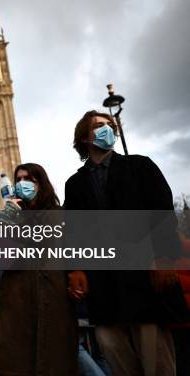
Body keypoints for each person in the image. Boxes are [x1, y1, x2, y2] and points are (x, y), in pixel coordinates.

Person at [65, 110, 181, 376]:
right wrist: (76, 269)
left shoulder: (140, 166)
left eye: (109, 125)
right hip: (104, 284)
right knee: (112, 350)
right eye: (98, 126)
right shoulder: (75, 184)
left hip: (143, 276)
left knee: (155, 359)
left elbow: (162, 213)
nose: (107, 129)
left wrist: (164, 258)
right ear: (84, 138)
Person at [0, 163, 78, 375]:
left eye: (28, 179)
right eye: (18, 179)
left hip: (55, 301)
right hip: (17, 305)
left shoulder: (61, 215)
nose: (22, 183)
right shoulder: (8, 217)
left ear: (41, 183)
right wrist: (8, 214)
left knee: (57, 363)